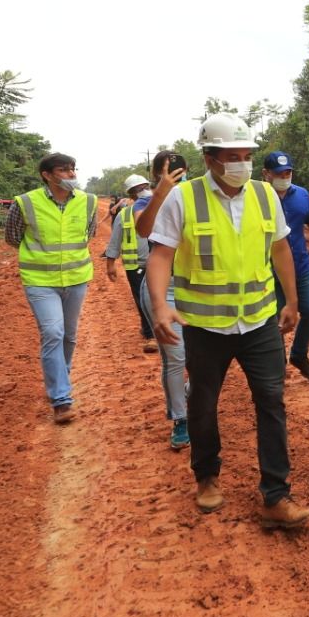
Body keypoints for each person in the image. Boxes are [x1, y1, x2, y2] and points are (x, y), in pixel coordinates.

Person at [145, 113, 309, 529]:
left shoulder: (264, 195)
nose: (242, 163)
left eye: (247, 155)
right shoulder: (184, 199)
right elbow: (161, 255)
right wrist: (160, 307)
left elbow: (279, 251)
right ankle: (206, 476)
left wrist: (291, 301)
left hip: (259, 323)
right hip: (205, 327)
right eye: (232, 156)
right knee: (203, 404)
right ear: (209, 157)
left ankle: (276, 495)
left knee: (271, 402)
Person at [4, 152, 98, 424]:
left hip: (77, 277)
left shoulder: (88, 201)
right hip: (40, 282)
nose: (71, 174)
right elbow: (12, 237)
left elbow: (89, 234)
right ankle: (61, 399)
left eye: (72, 169)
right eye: (63, 170)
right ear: (47, 174)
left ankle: (61, 377)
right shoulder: (25, 203)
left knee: (69, 336)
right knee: (53, 332)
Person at [134, 152, 191, 451]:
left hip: (198, 288)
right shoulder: (147, 201)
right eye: (167, 170)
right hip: (163, 287)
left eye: (180, 169)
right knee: (176, 356)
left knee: (204, 357)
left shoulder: (197, 197)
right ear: (156, 173)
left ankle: (190, 396)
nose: (175, 174)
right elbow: (143, 230)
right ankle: (181, 418)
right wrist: (161, 192)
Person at [261, 151, 309, 381]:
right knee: (275, 320)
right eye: (279, 173)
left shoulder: (301, 195)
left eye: (288, 172)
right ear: (266, 174)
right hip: (269, 271)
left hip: (301, 267)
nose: (285, 176)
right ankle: (277, 366)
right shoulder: (257, 198)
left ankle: (299, 354)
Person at [104, 174, 157, 353]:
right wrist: (110, 264)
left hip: (163, 265)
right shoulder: (125, 214)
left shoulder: (163, 208)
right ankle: (151, 335)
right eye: (137, 189)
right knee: (142, 300)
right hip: (136, 266)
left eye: (144, 186)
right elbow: (115, 240)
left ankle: (159, 330)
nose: (142, 191)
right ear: (131, 194)